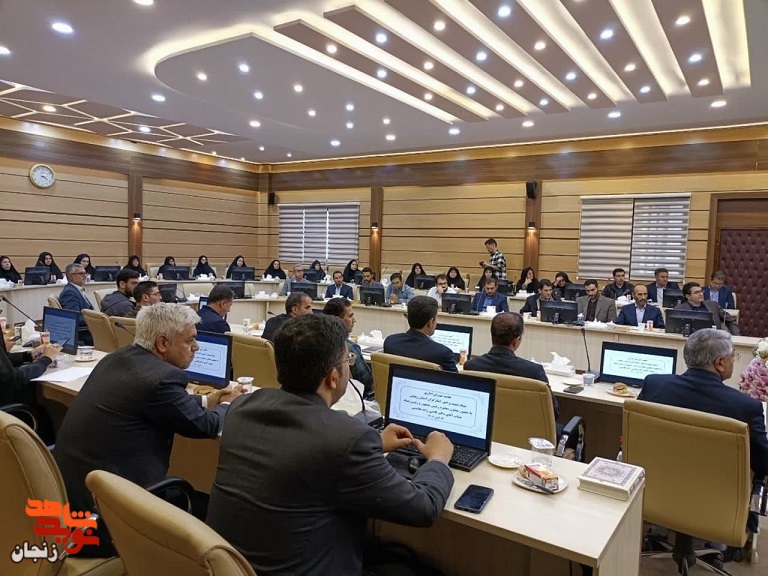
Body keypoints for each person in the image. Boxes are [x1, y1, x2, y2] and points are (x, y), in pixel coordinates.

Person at [206, 314, 454, 575]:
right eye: (349, 360)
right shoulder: (347, 438)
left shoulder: (241, 407)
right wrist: (438, 458)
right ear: (333, 376)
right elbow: (424, 509)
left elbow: (300, 449)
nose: (349, 366)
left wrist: (376, 443)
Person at [54, 303, 243, 557]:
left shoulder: (118, 358)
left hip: (70, 501)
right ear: (163, 343)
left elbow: (158, 402)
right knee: (212, 508)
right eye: (190, 340)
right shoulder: (163, 377)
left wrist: (208, 400)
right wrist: (229, 404)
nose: (196, 347)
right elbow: (206, 426)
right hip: (107, 520)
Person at [640, 329, 768, 478]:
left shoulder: (654, 385)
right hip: (718, 488)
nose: (734, 360)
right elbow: (763, 465)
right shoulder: (746, 407)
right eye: (733, 356)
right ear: (720, 363)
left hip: (656, 479)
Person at [464, 312, 559, 417]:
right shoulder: (533, 372)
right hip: (523, 426)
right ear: (516, 341)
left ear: (492, 336)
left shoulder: (470, 366)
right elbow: (553, 413)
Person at [1, 339, 59, 443]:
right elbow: (15, 379)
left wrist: (28, 355)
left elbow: (3, 362)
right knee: (47, 415)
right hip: (8, 416)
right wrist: (45, 360)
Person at [384, 296, 458, 372]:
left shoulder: (390, 342)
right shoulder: (443, 353)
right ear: (431, 322)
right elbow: (456, 379)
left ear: (407, 317)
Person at [322, 298, 374, 398]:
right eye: (350, 316)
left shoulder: (316, 341)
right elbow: (368, 383)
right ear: (338, 321)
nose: (354, 320)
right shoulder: (349, 347)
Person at [675, 282, 740, 335]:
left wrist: (736, 335)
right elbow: (676, 329)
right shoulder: (680, 310)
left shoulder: (713, 305)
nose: (701, 294)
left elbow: (731, 321)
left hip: (714, 339)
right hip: (692, 340)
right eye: (696, 292)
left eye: (701, 291)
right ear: (688, 296)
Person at [58, 263, 95, 345]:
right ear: (70, 276)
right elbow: (74, 318)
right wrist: (96, 321)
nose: (85, 276)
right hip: (84, 334)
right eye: (81, 273)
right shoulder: (69, 292)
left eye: (85, 273)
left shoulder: (76, 290)